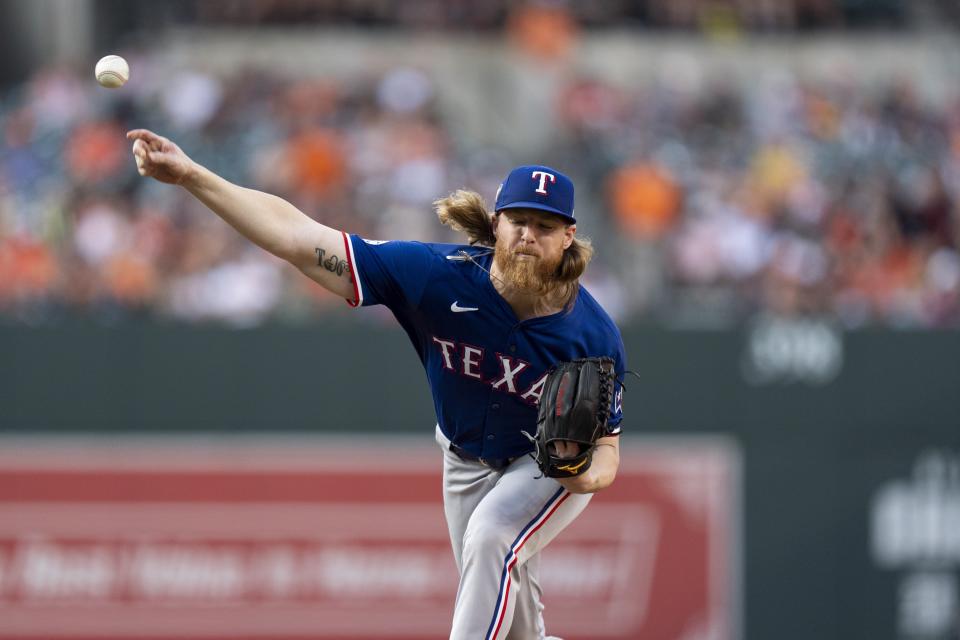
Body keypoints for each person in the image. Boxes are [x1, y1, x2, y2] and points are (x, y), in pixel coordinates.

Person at [127, 128, 628, 640]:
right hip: (464, 458)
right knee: (513, 616)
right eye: (519, 220)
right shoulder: (435, 276)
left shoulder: (590, 333)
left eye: (544, 226)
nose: (528, 235)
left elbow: (607, 450)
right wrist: (192, 176)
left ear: (568, 236)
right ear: (496, 224)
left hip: (544, 464)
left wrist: (583, 476)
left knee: (491, 537)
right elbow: (300, 239)